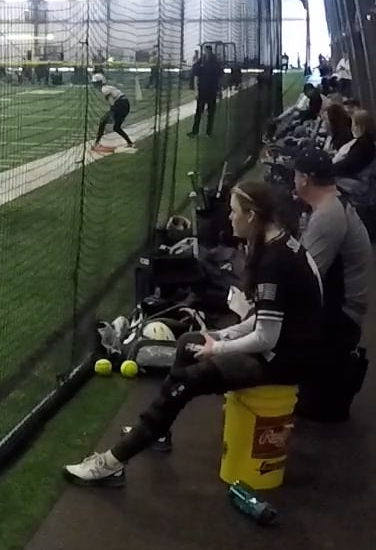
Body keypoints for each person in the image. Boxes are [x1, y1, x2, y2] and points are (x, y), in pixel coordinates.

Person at [64, 179, 325, 485]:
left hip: (284, 362)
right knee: (189, 342)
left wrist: (217, 348)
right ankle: (158, 430)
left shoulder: (274, 262)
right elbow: (262, 320)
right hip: (283, 349)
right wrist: (222, 336)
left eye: (234, 211)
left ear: (252, 215)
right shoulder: (280, 242)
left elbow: (266, 337)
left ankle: (112, 462)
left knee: (190, 379)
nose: (230, 217)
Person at [291, 151, 372, 361]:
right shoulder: (333, 203)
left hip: (340, 318)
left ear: (305, 180)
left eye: (296, 175)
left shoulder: (328, 214)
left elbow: (305, 277)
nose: (294, 180)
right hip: (342, 309)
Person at [90, 72, 135, 153]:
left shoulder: (104, 89)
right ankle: (130, 143)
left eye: (95, 83)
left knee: (102, 121)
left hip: (120, 105)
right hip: (125, 104)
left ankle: (97, 143)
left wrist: (112, 113)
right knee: (116, 127)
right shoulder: (108, 87)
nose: (95, 85)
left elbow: (112, 103)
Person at [189, 47, 222, 137]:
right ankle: (195, 131)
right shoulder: (201, 62)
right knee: (199, 112)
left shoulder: (215, 63)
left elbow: (219, 78)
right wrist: (196, 91)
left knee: (210, 113)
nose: (206, 53)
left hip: (212, 91)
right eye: (205, 51)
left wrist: (219, 90)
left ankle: (208, 132)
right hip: (203, 91)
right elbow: (196, 76)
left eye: (208, 51)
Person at [337, 109, 376, 178]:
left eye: (354, 125)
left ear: (362, 126)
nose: (352, 128)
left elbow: (348, 164)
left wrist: (329, 167)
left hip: (356, 180)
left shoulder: (363, 145)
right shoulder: (368, 142)